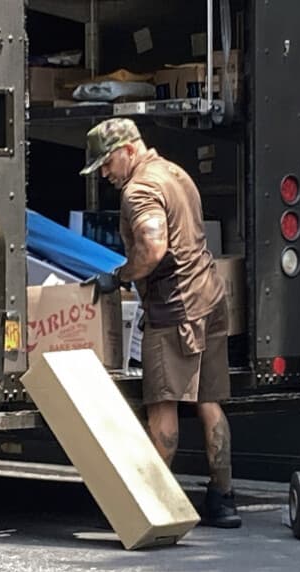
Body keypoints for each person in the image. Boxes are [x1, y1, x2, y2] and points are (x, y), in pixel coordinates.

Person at [80, 117, 241, 529]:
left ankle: (151, 507)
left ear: (128, 150)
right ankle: (223, 499)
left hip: (174, 310)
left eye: (107, 163)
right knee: (209, 404)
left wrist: (120, 276)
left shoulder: (139, 189)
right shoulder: (176, 174)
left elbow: (152, 248)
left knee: (162, 407)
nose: (104, 173)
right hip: (210, 299)